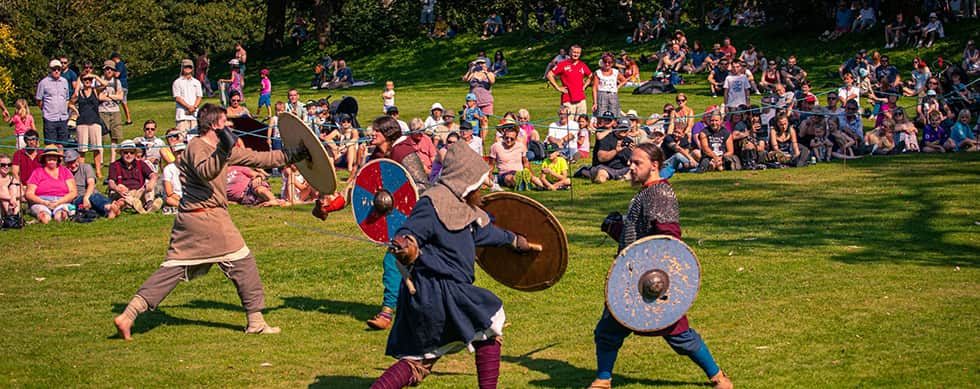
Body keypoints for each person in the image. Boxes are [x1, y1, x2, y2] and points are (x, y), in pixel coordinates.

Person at [113, 103, 310, 340]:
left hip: (193, 221)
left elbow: (258, 158)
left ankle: (128, 316)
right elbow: (205, 171)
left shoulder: (221, 147)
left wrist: (294, 154)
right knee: (243, 263)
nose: (229, 125)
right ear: (215, 124)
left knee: (172, 270)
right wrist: (223, 150)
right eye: (225, 121)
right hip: (207, 219)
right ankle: (256, 322)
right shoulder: (197, 147)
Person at [370, 141, 533, 389]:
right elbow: (409, 232)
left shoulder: (462, 208)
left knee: (420, 362)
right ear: (466, 177)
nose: (481, 187)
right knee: (491, 320)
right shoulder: (432, 202)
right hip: (436, 289)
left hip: (438, 292)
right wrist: (407, 245)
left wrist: (513, 240)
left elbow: (482, 234)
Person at [589, 142, 732, 389]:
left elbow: (668, 240)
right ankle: (603, 379)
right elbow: (641, 237)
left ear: (654, 165)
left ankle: (718, 377)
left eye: (637, 163)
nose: (630, 167)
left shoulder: (659, 194)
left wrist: (658, 271)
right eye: (631, 162)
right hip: (632, 275)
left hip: (653, 278)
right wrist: (617, 229)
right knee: (607, 331)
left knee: (680, 335)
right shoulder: (646, 192)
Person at [25, 145, 76, 224]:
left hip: (61, 200)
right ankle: (43, 216)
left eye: (54, 156)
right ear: (44, 158)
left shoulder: (65, 171)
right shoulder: (37, 172)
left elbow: (73, 192)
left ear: (58, 158)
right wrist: (44, 202)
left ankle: (62, 214)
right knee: (45, 217)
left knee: (59, 216)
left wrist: (59, 202)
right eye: (49, 156)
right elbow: (29, 193)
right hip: (41, 201)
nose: (51, 159)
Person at [108, 140, 162, 214]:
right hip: (123, 193)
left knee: (149, 185)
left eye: (132, 152)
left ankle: (149, 205)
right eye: (126, 152)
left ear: (135, 153)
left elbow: (153, 175)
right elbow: (111, 182)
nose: (129, 155)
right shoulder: (114, 165)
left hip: (139, 192)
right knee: (122, 193)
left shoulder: (141, 164)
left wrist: (152, 181)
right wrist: (116, 188)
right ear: (121, 153)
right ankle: (139, 206)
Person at [69, 74, 106, 177]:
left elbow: (105, 84)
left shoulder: (95, 90)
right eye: (85, 79)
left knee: (97, 148)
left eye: (89, 79)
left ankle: (98, 171)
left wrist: (94, 76)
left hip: (95, 121)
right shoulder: (79, 93)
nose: (88, 81)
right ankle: (81, 172)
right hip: (82, 122)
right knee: (82, 149)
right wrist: (76, 111)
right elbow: (70, 103)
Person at [577, 114, 631, 183]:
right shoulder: (606, 138)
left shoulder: (630, 142)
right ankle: (595, 176)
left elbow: (631, 162)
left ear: (629, 129)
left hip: (623, 169)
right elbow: (601, 157)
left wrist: (634, 154)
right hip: (606, 168)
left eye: (625, 129)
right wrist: (616, 151)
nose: (623, 131)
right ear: (616, 127)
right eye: (621, 128)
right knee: (601, 174)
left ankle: (624, 177)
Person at [64, 149, 117, 219]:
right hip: (78, 198)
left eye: (74, 161)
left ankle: (109, 208)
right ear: (65, 163)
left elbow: (91, 183)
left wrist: (86, 197)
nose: (73, 165)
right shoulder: (64, 172)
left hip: (92, 194)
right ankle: (109, 208)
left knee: (95, 197)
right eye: (69, 163)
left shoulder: (86, 167)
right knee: (92, 199)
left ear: (78, 159)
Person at [547, 45, 592, 116]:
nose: (576, 54)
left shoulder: (582, 65)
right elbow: (549, 75)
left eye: (578, 53)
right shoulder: (562, 64)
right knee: (568, 123)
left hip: (581, 99)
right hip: (567, 99)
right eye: (574, 52)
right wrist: (557, 87)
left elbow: (591, 76)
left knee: (582, 123)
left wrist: (585, 86)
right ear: (570, 52)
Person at [35, 59, 71, 146]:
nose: (56, 71)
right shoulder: (43, 83)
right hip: (50, 119)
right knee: (50, 146)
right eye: (54, 69)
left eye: (58, 69)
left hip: (63, 118)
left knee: (62, 145)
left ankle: (61, 160)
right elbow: (39, 100)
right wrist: (45, 110)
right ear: (50, 70)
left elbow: (66, 99)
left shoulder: (64, 82)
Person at [591, 53, 626, 117]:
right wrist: (595, 102)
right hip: (601, 95)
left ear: (612, 63)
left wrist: (617, 87)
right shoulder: (598, 73)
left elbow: (624, 80)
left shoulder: (615, 72)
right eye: (605, 62)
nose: (607, 64)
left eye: (609, 62)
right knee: (601, 115)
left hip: (613, 95)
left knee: (614, 115)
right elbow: (594, 88)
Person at [174, 59, 203, 133]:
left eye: (189, 67)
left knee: (194, 138)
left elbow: (199, 96)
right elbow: (178, 98)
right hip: (182, 116)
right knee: (181, 138)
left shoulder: (196, 82)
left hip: (194, 116)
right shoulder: (177, 82)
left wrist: (194, 107)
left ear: (192, 68)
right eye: (185, 67)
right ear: (182, 68)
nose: (187, 69)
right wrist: (188, 107)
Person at [161, 143, 185, 214]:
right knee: (168, 199)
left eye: (183, 152)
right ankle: (185, 206)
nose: (181, 156)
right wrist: (182, 199)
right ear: (174, 154)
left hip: (188, 195)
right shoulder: (168, 169)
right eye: (178, 153)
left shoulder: (190, 167)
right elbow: (169, 192)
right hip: (174, 196)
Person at [109, 53, 132, 125]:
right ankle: (128, 120)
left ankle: (114, 119)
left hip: (121, 86)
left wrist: (110, 73)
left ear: (114, 58)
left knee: (115, 103)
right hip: (124, 85)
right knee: (124, 103)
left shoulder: (119, 64)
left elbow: (117, 74)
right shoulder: (121, 64)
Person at [0, 154, 22, 221]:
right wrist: (11, 198)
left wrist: (13, 196)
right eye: (3, 165)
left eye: (9, 165)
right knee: (4, 188)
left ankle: (13, 216)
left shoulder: (12, 179)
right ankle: (13, 217)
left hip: (10, 204)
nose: (6, 167)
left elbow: (22, 193)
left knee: (13, 187)